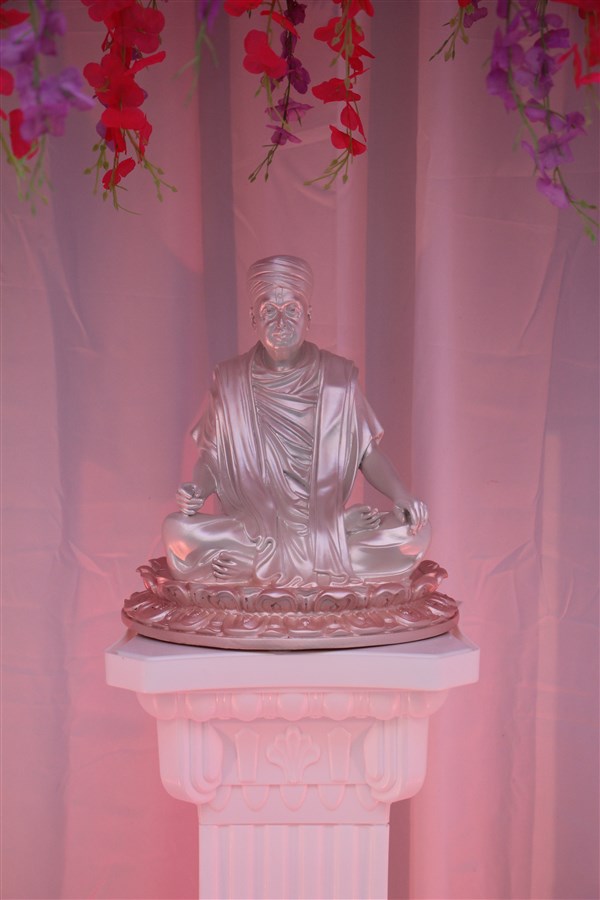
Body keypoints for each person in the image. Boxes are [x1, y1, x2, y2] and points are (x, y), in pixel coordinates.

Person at [163, 255, 430, 587]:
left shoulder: (338, 380)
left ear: (308, 316)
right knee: (178, 532)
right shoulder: (229, 381)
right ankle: (322, 544)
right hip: (256, 528)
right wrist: (197, 490)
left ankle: (259, 565)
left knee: (413, 534)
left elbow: (368, 454)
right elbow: (212, 459)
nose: (281, 321)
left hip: (317, 522)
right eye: (268, 311)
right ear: (253, 318)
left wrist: (401, 495)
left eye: (291, 310)